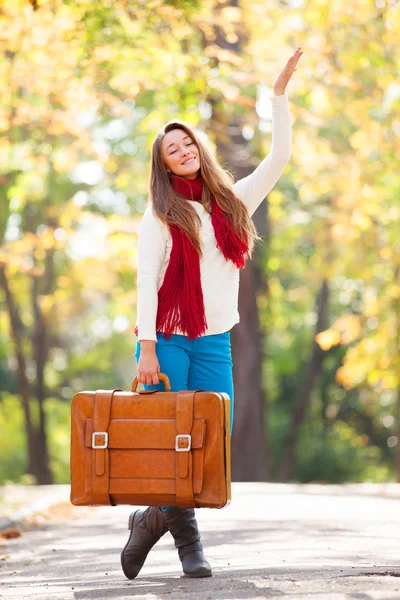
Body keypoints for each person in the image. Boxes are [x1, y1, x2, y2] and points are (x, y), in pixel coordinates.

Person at [121, 47, 303, 580]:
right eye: (171, 149)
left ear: (199, 148)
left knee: (207, 441)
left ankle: (149, 518)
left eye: (186, 143)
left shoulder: (234, 204)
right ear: (164, 163)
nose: (182, 151)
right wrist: (148, 348)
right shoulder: (158, 217)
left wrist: (277, 97)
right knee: (170, 441)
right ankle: (190, 548)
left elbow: (279, 160)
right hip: (168, 340)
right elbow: (145, 282)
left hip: (215, 339)